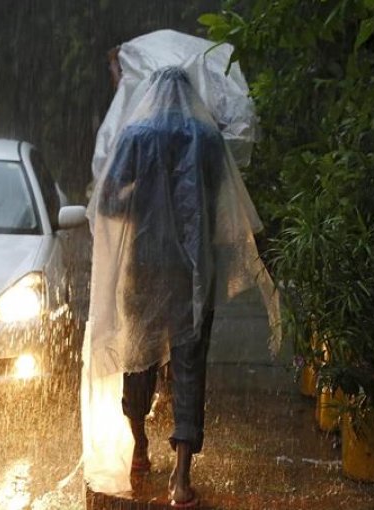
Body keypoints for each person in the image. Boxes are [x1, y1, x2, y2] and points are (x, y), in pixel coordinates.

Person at [92, 66, 224, 507]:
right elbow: (216, 200)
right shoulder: (206, 138)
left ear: (151, 96)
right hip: (192, 269)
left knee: (139, 357)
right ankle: (181, 478)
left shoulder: (136, 134)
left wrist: (145, 202)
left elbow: (107, 200)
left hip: (144, 265)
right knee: (189, 363)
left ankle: (141, 449)